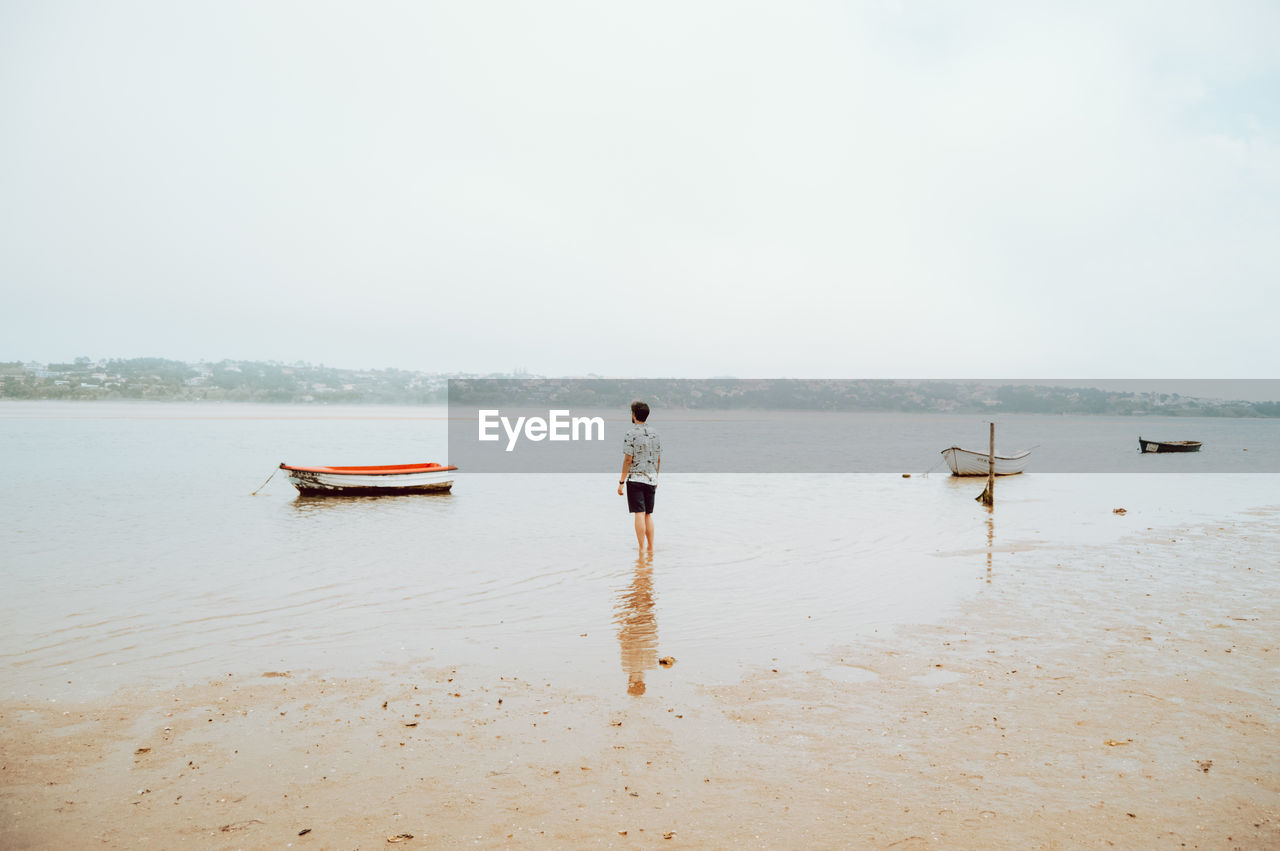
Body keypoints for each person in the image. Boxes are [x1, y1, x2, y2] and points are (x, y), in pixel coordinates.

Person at [617, 400, 661, 550]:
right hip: (651, 478)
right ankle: (651, 547)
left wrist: (621, 482)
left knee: (639, 513)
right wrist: (656, 477)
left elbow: (628, 459)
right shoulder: (655, 433)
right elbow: (658, 458)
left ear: (634, 414)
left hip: (635, 479)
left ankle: (641, 549)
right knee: (648, 514)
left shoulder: (631, 433)